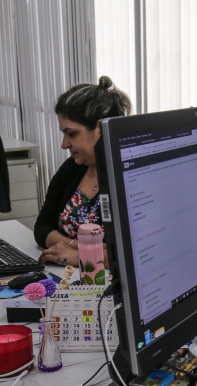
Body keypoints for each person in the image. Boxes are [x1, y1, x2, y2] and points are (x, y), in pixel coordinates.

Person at [34, 76, 131, 266]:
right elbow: (42, 227)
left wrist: (80, 257)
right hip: (68, 276)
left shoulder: (130, 177)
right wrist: (78, 246)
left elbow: (136, 252)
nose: (64, 144)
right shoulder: (73, 168)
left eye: (72, 134)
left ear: (100, 128)